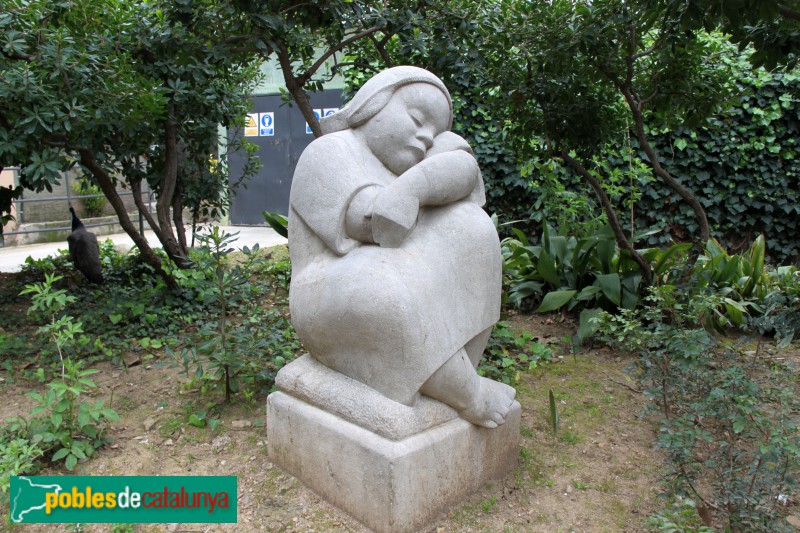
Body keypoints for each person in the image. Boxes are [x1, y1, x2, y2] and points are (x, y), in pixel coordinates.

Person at [288, 66, 516, 428]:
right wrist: (414, 187)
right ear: (372, 105)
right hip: (326, 291)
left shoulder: (411, 168)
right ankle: (466, 393)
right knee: (380, 284)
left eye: (435, 133)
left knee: (474, 227)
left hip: (392, 270)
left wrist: (422, 180)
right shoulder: (330, 151)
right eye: (416, 118)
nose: (426, 137)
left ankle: (449, 374)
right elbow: (376, 224)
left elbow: (465, 171)